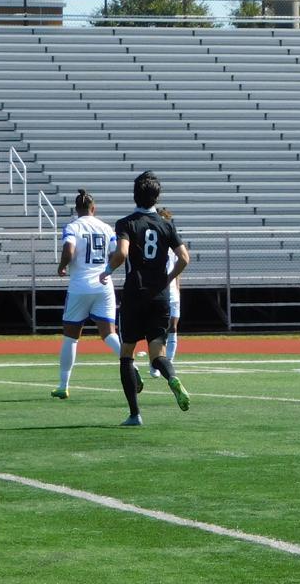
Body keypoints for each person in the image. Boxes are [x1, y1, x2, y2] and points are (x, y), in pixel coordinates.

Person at [101, 171, 190, 426]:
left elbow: (122, 254)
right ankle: (172, 378)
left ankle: (134, 414)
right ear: (157, 197)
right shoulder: (166, 224)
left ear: (134, 195)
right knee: (158, 354)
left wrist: (107, 271)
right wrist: (167, 279)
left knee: (127, 354)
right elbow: (184, 258)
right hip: (160, 296)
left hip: (134, 295)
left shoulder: (126, 223)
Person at [53, 189, 142, 399]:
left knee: (71, 337)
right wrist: (106, 269)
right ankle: (131, 364)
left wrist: (62, 266)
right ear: (93, 208)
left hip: (80, 285)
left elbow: (69, 250)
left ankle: (63, 385)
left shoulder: (73, 226)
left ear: (76, 209)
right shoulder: (105, 227)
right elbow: (116, 252)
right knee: (109, 333)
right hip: (104, 284)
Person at [150, 207, 182, 378]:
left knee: (173, 326)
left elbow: (179, 266)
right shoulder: (152, 242)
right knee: (157, 328)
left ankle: (169, 361)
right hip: (157, 290)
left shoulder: (173, 242)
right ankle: (155, 363)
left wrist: (177, 287)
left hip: (172, 291)